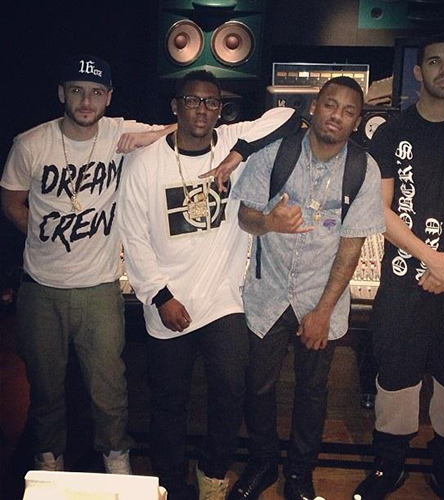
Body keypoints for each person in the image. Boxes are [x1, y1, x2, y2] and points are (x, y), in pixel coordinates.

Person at [116, 69, 299, 500]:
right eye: (192, 101)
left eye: (211, 102)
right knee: (168, 402)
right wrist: (162, 297)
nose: (202, 109)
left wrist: (236, 156)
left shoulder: (232, 140)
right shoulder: (144, 165)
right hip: (168, 302)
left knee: (231, 391)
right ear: (175, 106)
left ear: (221, 110)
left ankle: (212, 474)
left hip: (222, 300)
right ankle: (170, 482)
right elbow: (134, 236)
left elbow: (290, 116)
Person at [0, 54, 173, 474]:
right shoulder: (31, 143)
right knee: (45, 388)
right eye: (77, 90)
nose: (86, 101)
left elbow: (181, 130)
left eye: (96, 92)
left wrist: (146, 137)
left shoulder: (119, 133)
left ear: (109, 97)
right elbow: (12, 203)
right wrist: (48, 235)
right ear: (62, 93)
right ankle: (48, 459)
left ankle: (116, 457)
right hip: (41, 289)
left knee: (109, 387)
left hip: (99, 288)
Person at [352, 34, 444, 500]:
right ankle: (388, 466)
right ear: (418, 73)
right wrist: (432, 258)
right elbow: (380, 209)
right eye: (434, 62)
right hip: (403, 279)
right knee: (395, 376)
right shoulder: (391, 132)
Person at [227, 76, 385, 500]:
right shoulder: (275, 154)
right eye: (330, 105)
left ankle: (299, 472)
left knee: (313, 392)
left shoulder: (363, 170)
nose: (337, 116)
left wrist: (323, 312)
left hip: (321, 298)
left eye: (348, 111)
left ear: (357, 121)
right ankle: (263, 463)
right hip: (268, 294)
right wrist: (269, 222)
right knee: (257, 386)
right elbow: (244, 216)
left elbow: (351, 248)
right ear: (314, 106)